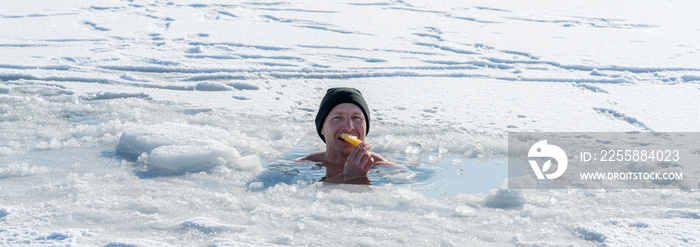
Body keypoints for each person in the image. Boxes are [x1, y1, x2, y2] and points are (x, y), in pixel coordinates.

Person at [298, 87, 397, 183]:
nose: (349, 127)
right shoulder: (302, 166)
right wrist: (350, 178)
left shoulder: (388, 170)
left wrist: (355, 179)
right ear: (322, 129)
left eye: (356, 118)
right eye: (338, 117)